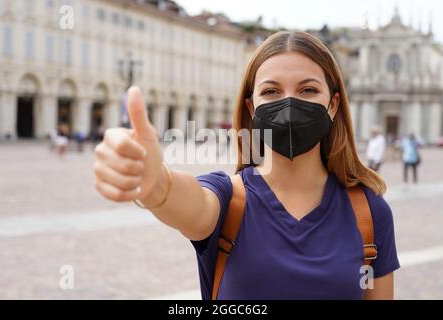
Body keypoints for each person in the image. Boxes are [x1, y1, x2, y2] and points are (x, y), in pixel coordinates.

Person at [93, 31, 400, 300]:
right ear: (252, 108)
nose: (289, 103)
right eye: (271, 91)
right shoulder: (230, 200)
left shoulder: (370, 214)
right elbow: (191, 202)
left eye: (307, 90)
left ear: (332, 105)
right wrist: (156, 185)